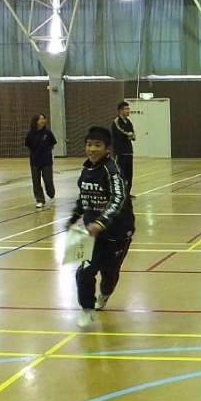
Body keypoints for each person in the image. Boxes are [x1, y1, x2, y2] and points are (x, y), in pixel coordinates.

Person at [66, 126, 135, 329]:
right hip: (92, 234)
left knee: (109, 273)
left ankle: (104, 293)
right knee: (84, 272)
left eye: (98, 145)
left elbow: (118, 197)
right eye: (89, 145)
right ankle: (87, 309)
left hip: (117, 233)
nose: (92, 149)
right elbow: (84, 197)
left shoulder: (112, 171)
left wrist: (101, 222)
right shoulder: (86, 171)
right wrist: (74, 217)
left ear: (108, 149)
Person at [24, 113, 57, 208]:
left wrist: (46, 152)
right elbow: (29, 146)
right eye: (40, 119)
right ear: (36, 121)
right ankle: (40, 200)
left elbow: (52, 145)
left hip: (46, 160)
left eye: (43, 119)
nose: (43, 121)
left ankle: (51, 195)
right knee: (36, 181)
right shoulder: (30, 134)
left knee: (48, 180)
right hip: (35, 161)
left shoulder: (48, 133)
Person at [111, 101, 135, 195]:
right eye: (126, 109)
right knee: (121, 173)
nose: (128, 111)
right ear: (120, 110)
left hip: (129, 151)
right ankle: (120, 193)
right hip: (120, 152)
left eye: (129, 109)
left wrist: (131, 135)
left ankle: (127, 193)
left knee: (129, 173)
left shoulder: (129, 122)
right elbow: (120, 133)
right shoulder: (117, 121)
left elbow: (133, 133)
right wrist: (127, 135)